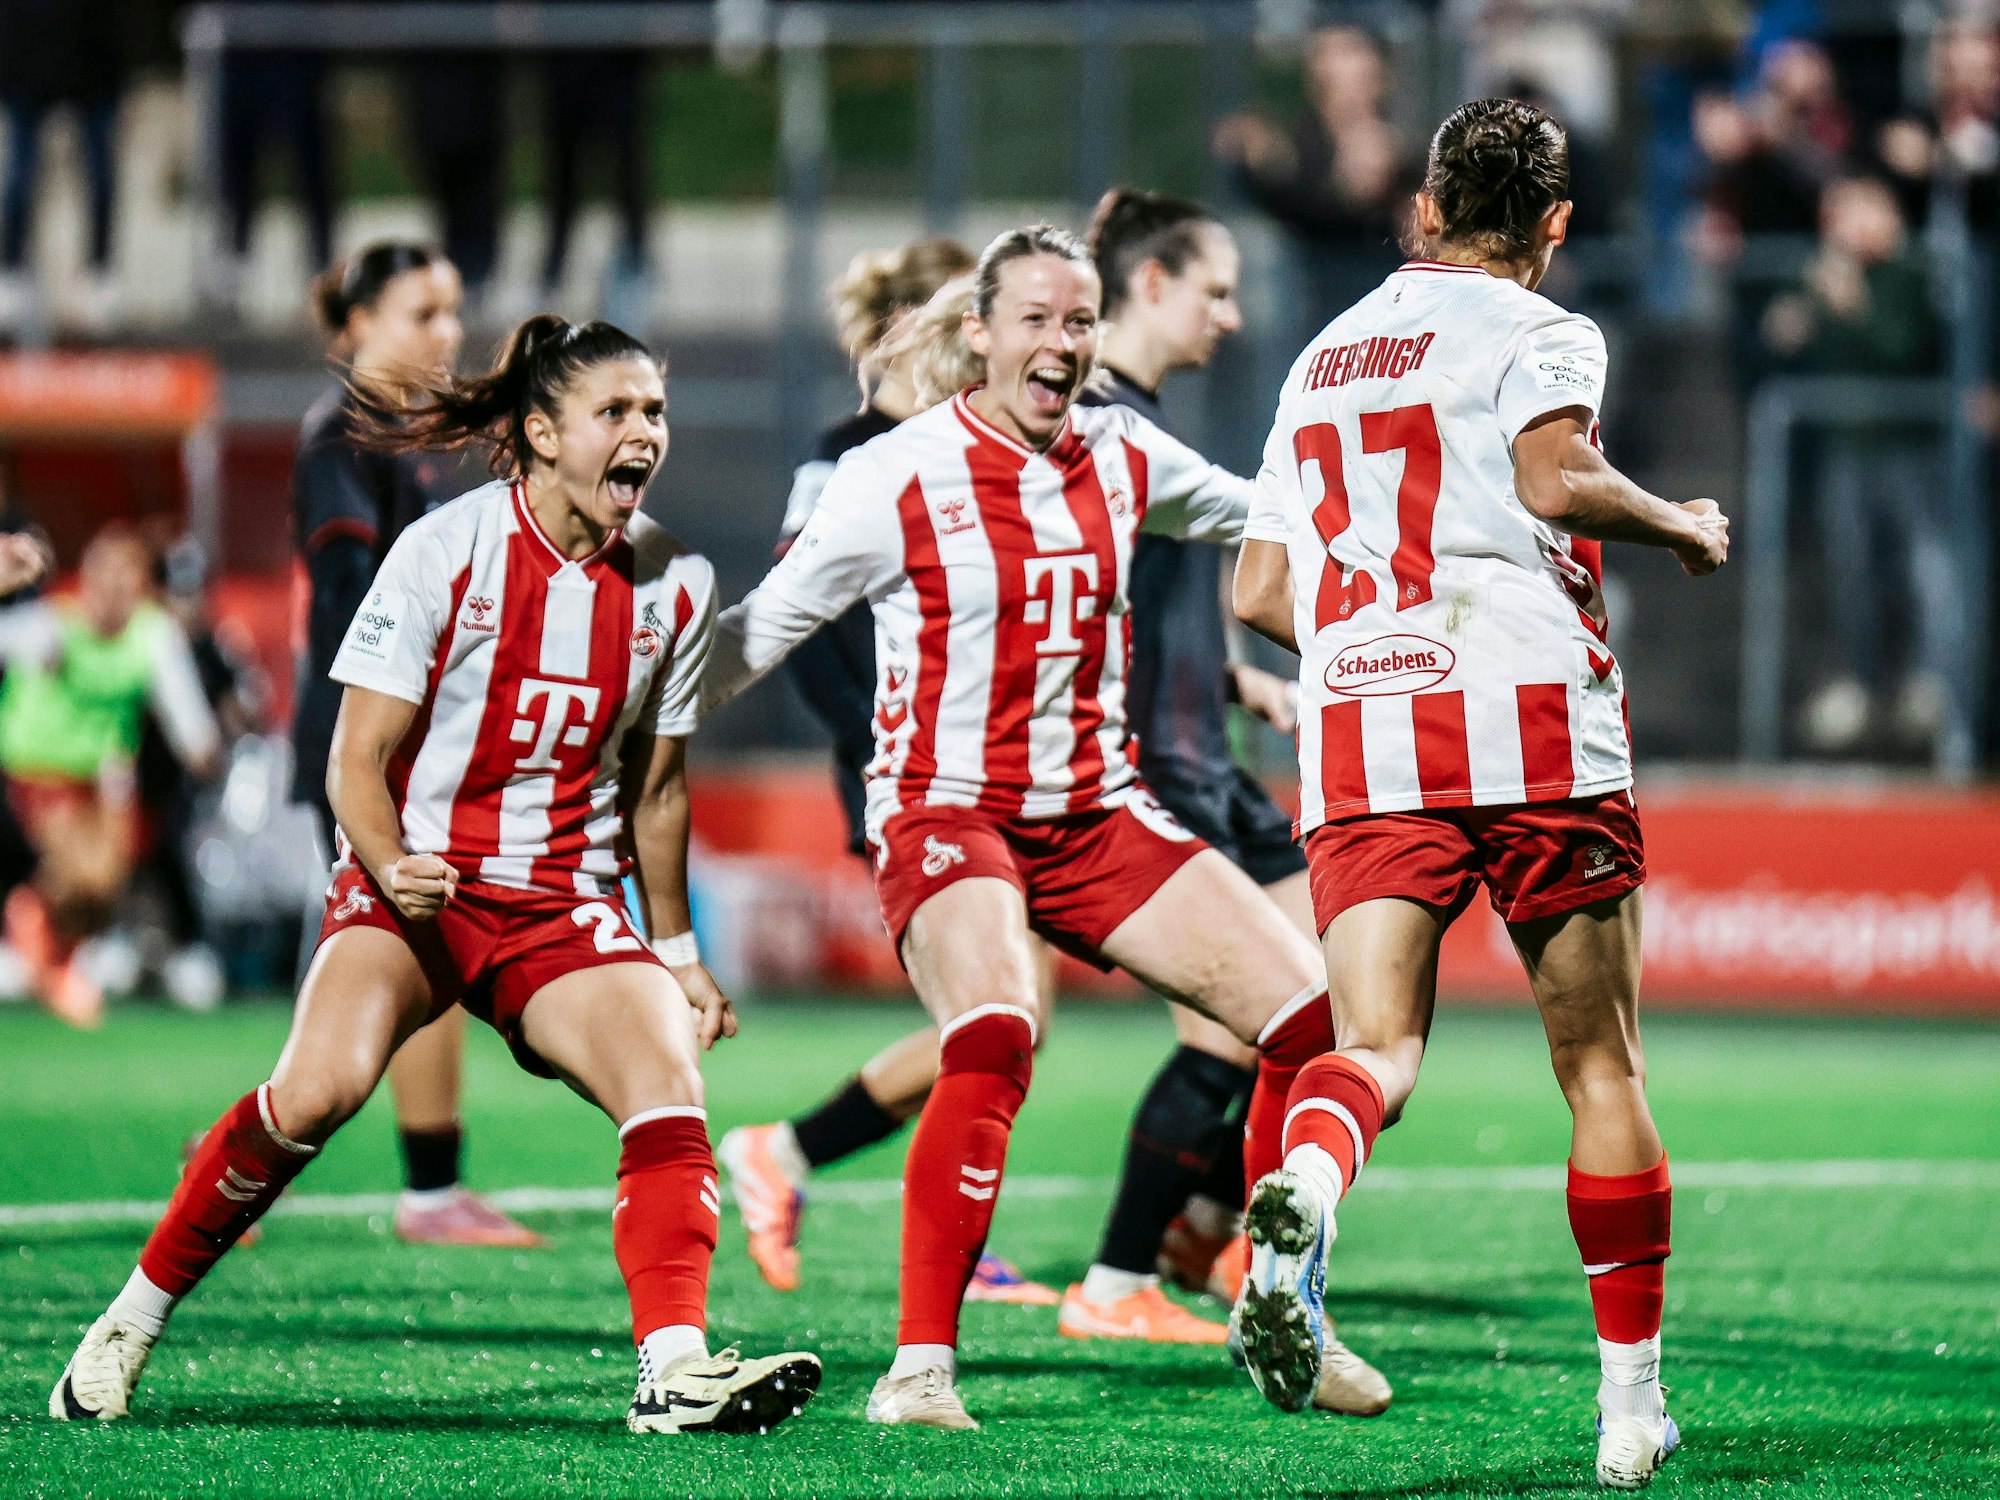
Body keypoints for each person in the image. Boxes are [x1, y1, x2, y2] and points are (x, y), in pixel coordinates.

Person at [51, 315, 822, 1434]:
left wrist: (679, 956)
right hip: (415, 885)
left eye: (654, 411)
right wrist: (389, 860)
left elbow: (656, 792)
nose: (644, 432)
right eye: (616, 411)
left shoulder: (676, 583)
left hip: (558, 901)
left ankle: (674, 1370)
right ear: (542, 432)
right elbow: (354, 760)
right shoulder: (445, 549)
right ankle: (127, 1322)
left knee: (667, 1081)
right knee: (314, 1093)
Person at [702, 224, 1365, 1431]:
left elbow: (1261, 516)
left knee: (1314, 1020)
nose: (1060, 343)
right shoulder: (896, 472)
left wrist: (1406, 524)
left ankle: (1283, 1312)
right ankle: (916, 1371)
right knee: (997, 1032)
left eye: (1078, 322)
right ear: (980, 334)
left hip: (1094, 813)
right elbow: (763, 630)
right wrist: (625, 702)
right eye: (1036, 320)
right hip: (945, 811)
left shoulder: (1122, 452)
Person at [1230, 99, 1729, 1489]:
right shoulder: (1544, 331)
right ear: (1555, 227)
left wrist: (1378, 646)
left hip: (1364, 737)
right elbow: (1552, 474)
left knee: (1377, 1046)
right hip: (1531, 728)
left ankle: (1307, 1194)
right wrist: (1681, 522)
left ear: (1425, 206)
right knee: (1600, 1068)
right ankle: (1630, 1407)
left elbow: (1261, 590)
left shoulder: (1320, 357)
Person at [715, 235, 1064, 1309]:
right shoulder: (852, 451)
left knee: (1007, 1020)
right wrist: (881, 745)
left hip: (999, 765)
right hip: (915, 769)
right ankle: (801, 1161)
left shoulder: (996, 448)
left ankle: (801, 1161)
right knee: (1000, 1017)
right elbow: (807, 619)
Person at [291, 241, 543, 1248]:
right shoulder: (337, 442)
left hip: (411, 740)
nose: (446, 332)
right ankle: (432, 1193)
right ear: (354, 327)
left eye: (451, 312)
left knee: (381, 969)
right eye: (420, 313)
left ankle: (229, 1147)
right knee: (414, 951)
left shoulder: (404, 442)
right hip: (366, 742)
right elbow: (355, 600)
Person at [0, 526, 221, 1026]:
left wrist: (201, 748)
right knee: (81, 872)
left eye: (128, 582)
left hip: (102, 775)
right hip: (37, 769)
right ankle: (33, 925)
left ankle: (49, 952)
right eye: (106, 579)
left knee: (105, 885)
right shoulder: (50, 627)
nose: (114, 594)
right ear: (88, 581)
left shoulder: (152, 634)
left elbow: (181, 704)